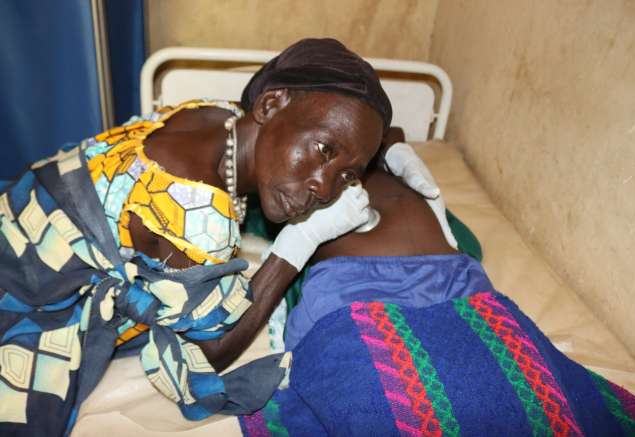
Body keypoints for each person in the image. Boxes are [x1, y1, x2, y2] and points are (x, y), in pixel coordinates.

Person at [0, 38, 448, 435]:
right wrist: (300, 242)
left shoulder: (215, 114)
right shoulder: (197, 209)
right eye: (323, 150)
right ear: (271, 105)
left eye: (347, 174)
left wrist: (392, 148)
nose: (324, 189)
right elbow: (212, 351)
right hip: (21, 281)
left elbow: (345, 129)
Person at [240, 168, 635, 437]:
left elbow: (467, 244)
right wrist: (301, 240)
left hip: (455, 285)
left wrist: (429, 200)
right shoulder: (298, 183)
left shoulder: (404, 182)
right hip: (363, 290)